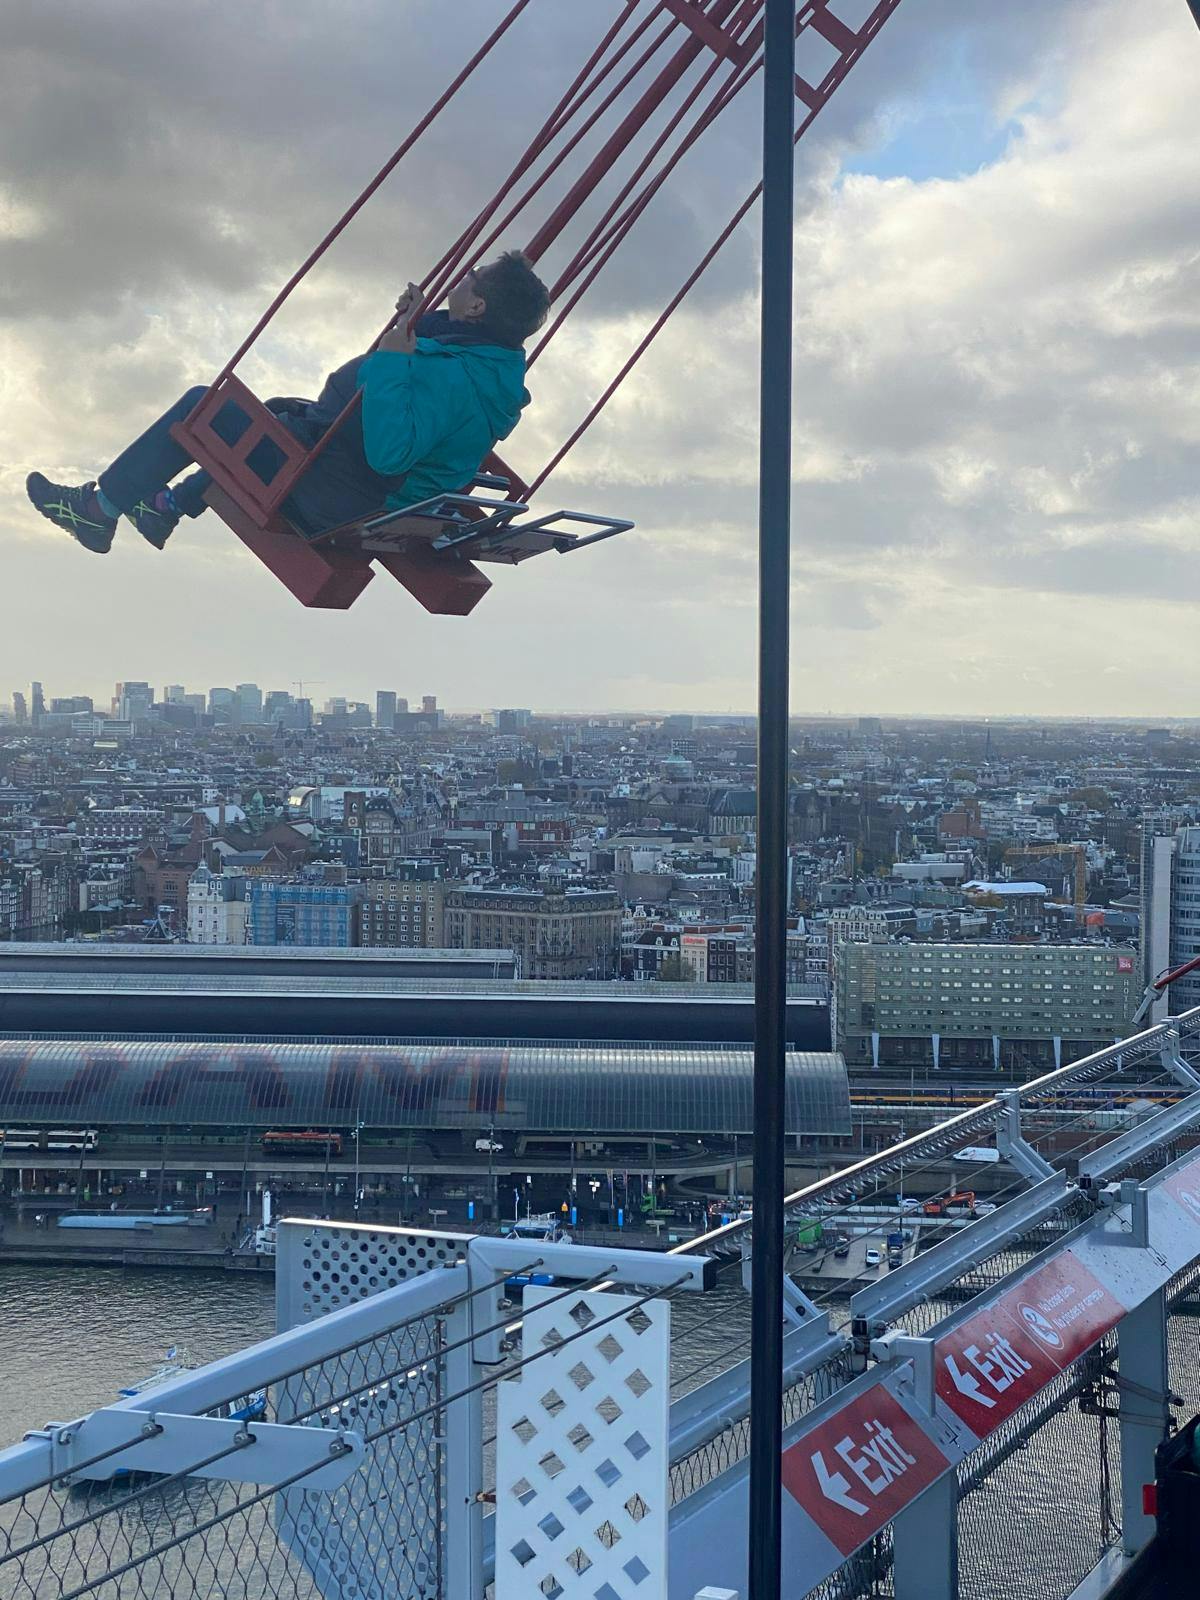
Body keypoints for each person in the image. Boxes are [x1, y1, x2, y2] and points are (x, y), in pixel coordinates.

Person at [26, 251, 550, 554]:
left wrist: (391, 359)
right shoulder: (489, 366)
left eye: (471, 280)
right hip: (345, 474)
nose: (462, 279)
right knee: (273, 414)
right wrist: (409, 324)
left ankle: (97, 510)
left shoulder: (458, 379)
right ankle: (164, 508)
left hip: (338, 495)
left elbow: (391, 453)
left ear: (476, 307)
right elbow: (432, 370)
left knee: (205, 410)